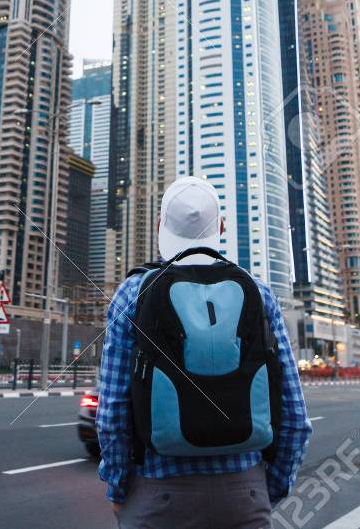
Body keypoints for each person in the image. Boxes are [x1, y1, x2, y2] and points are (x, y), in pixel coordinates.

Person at [96, 176, 312, 528]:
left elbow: (112, 416)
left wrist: (119, 491)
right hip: (246, 496)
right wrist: (267, 488)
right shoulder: (259, 293)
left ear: (159, 226)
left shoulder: (132, 293)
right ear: (222, 227)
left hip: (158, 498)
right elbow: (295, 417)